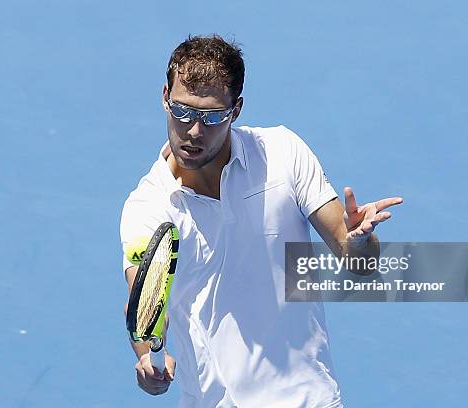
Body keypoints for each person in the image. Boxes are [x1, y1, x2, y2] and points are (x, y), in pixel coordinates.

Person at [120, 34, 403, 408]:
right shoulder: (147, 207)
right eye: (183, 110)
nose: (193, 131)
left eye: (212, 117)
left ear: (235, 110)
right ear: (165, 97)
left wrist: (360, 240)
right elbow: (142, 302)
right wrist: (146, 357)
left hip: (307, 399)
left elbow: (359, 262)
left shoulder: (283, 153)